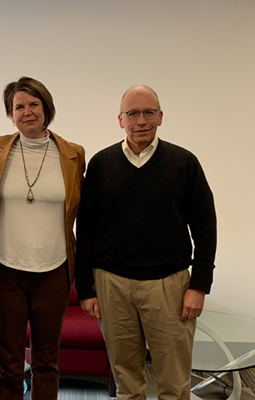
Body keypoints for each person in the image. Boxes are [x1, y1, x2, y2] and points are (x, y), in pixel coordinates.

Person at [75, 85, 217, 400]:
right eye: (133, 114)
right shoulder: (101, 165)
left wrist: (200, 285)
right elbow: (84, 231)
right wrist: (86, 289)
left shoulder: (184, 163)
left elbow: (206, 228)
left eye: (149, 112)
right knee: (126, 383)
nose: (141, 120)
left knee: (174, 383)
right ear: (120, 119)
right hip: (112, 286)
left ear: (160, 117)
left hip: (169, 286)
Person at [0, 77, 85, 399]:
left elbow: (85, 208)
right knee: (9, 361)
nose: (27, 112)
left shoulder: (73, 154)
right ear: (10, 114)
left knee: (46, 360)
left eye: (34, 104)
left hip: (53, 272)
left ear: (46, 107)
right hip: (6, 269)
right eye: (19, 107)